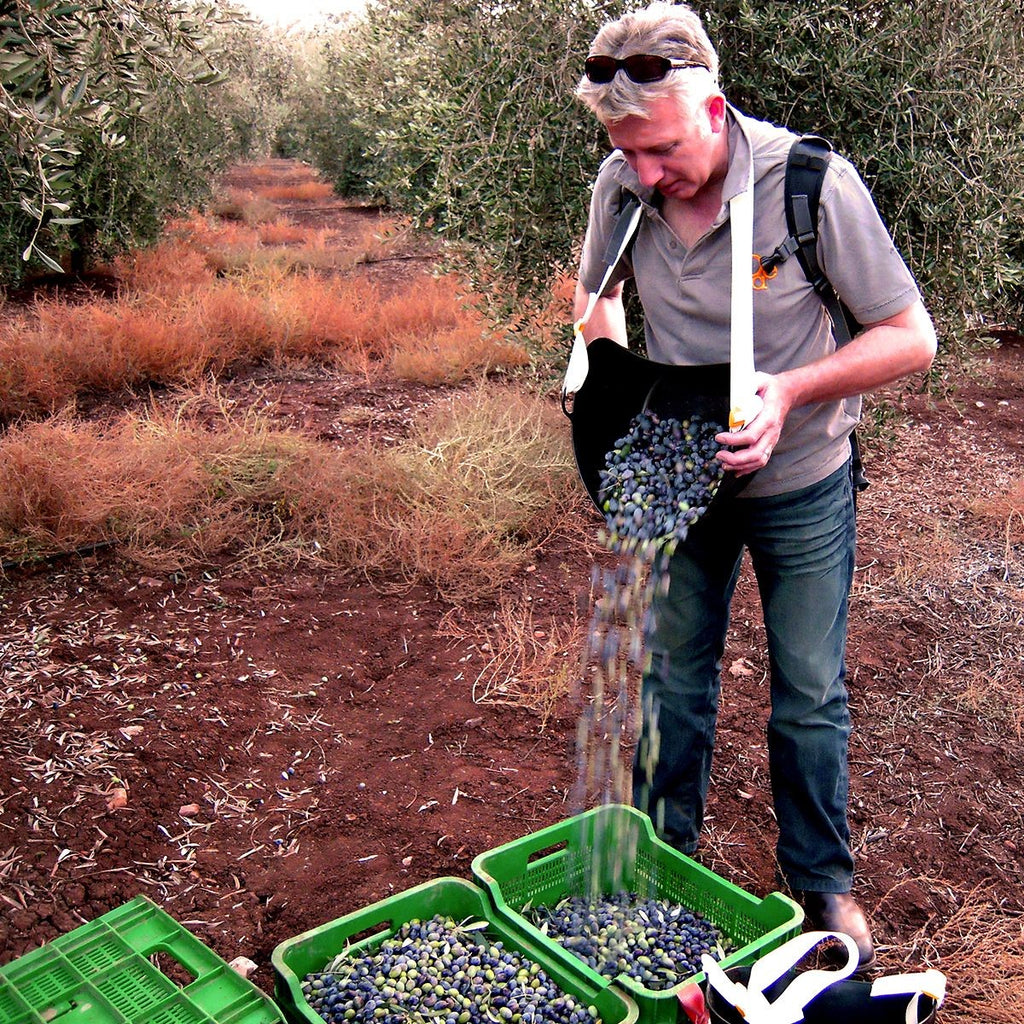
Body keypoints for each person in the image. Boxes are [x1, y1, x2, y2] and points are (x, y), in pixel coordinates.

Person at [572, 2, 936, 969]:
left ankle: (821, 883)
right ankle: (658, 865)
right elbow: (595, 301)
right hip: (678, 480)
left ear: (715, 107)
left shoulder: (808, 184)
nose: (645, 174)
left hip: (802, 477)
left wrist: (789, 393)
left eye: (660, 150)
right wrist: (625, 395)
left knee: (808, 690)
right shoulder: (621, 180)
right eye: (626, 151)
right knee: (670, 679)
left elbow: (911, 338)